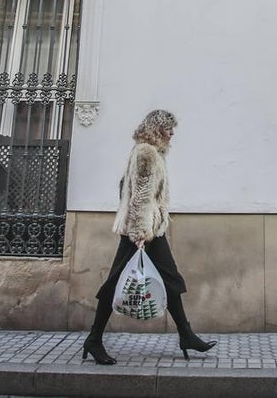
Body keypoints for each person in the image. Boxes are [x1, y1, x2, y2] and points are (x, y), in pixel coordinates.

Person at [82, 109, 217, 365]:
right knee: (117, 284)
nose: (173, 133)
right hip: (143, 231)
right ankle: (94, 339)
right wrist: (140, 232)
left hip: (149, 229)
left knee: (170, 278)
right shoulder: (147, 153)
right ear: (157, 129)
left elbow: (128, 187)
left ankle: (185, 334)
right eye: (169, 128)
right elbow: (141, 195)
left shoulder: (149, 152)